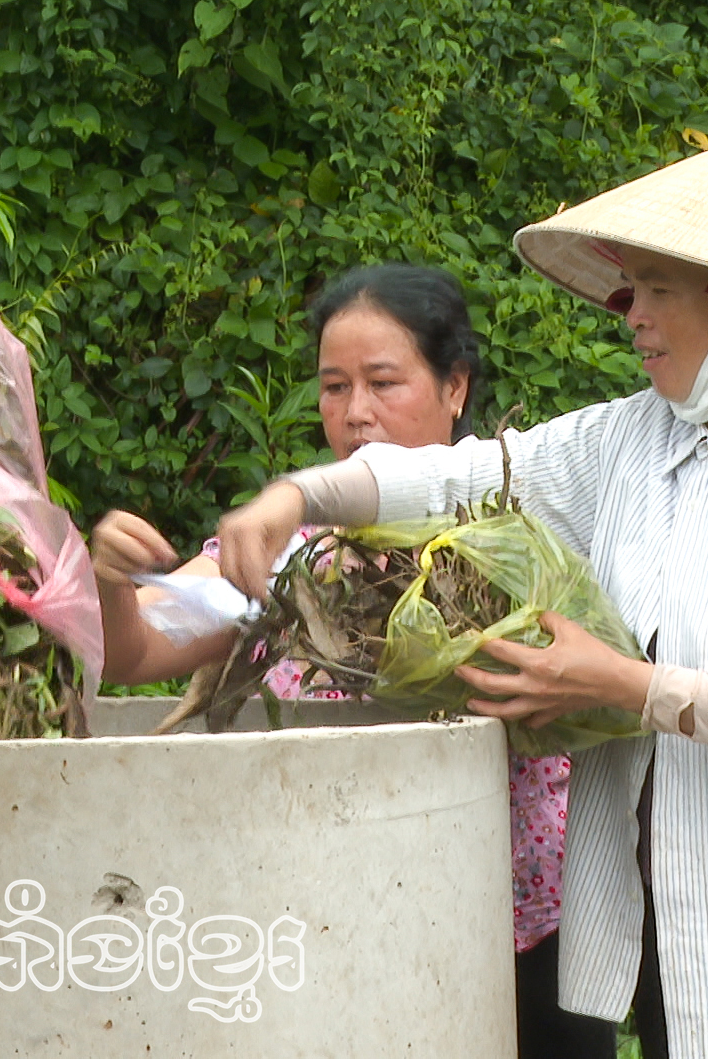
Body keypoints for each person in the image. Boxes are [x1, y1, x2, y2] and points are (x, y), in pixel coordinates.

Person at [216, 131, 708, 1058]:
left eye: (656, 287)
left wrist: (627, 687)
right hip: (685, 980)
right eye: (629, 288)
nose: (632, 315)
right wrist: (302, 495)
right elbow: (466, 477)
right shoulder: (626, 448)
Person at [92, 263, 614, 1057]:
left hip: (521, 938)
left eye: (383, 382)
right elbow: (131, 652)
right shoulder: (289, 558)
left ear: (456, 387)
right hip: (335, 931)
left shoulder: (525, 548)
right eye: (334, 387)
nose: (356, 413)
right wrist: (107, 584)